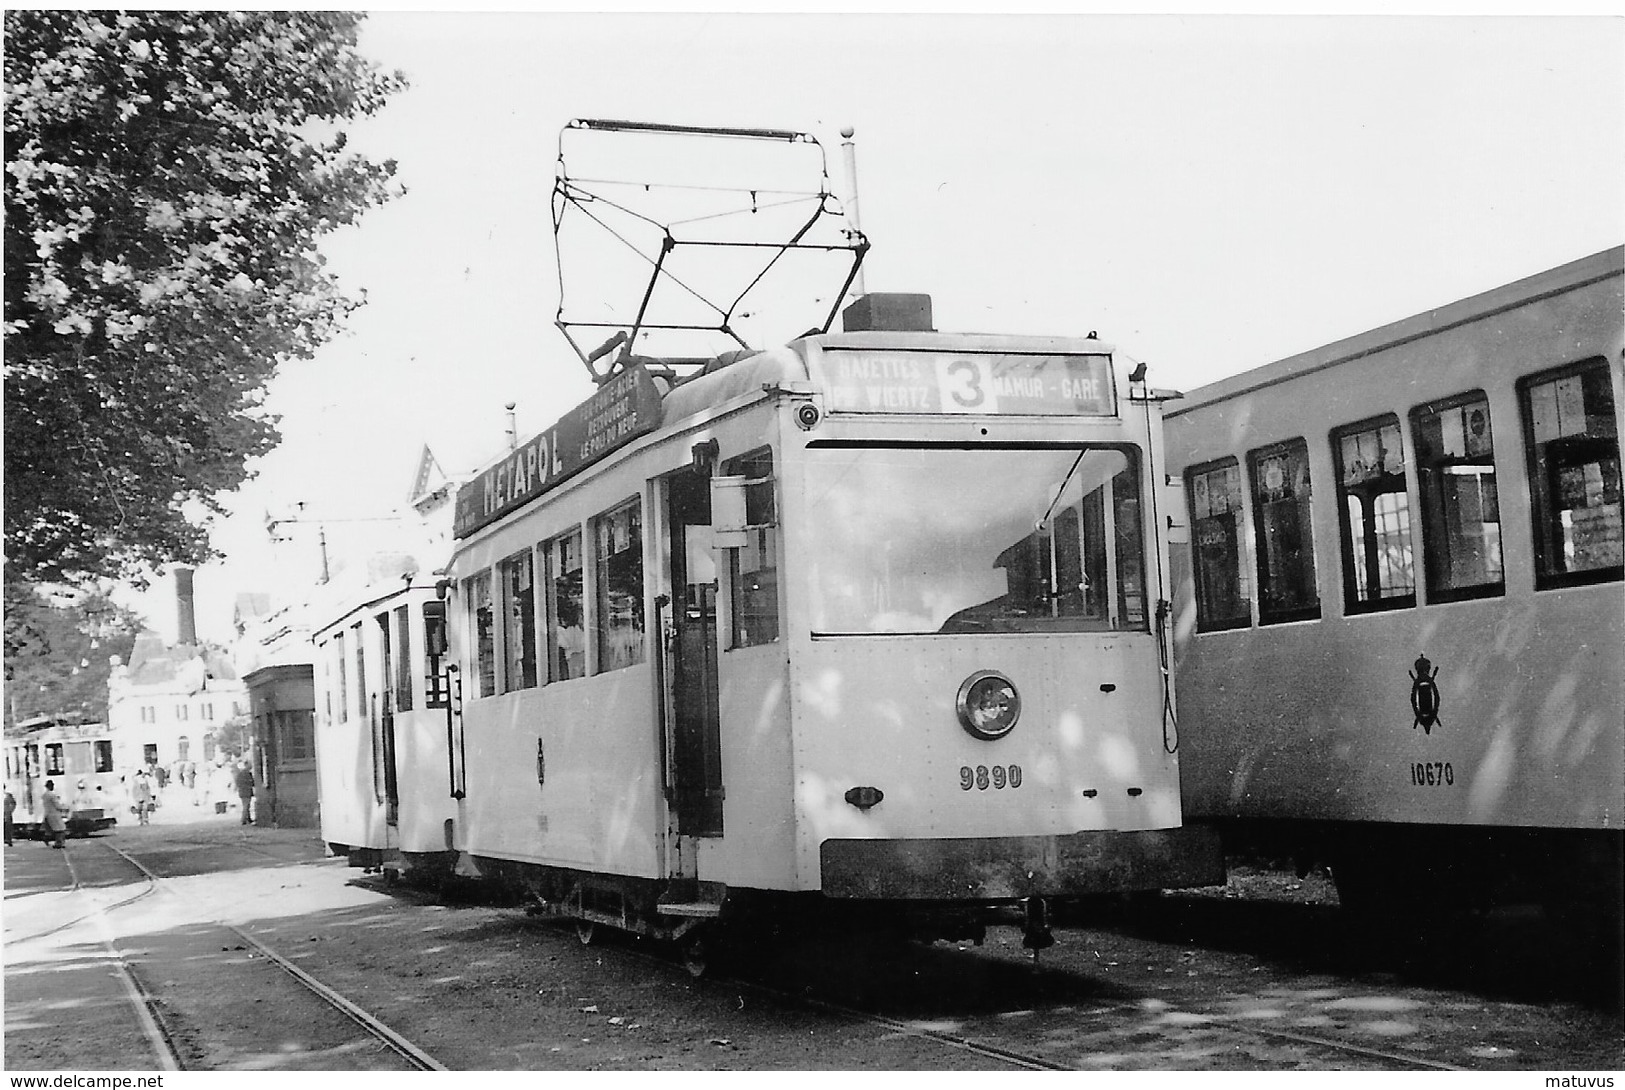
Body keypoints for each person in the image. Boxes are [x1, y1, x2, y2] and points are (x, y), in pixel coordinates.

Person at [40, 779, 68, 849]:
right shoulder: (52, 795)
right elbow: (57, 805)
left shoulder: (44, 795)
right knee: (61, 829)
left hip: (47, 813)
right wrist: (64, 808)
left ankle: (48, 839)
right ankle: (59, 843)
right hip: (54, 814)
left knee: (52, 829)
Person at [233, 760, 256, 826]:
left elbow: (238, 782)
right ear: (246, 765)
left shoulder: (241, 773)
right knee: (246, 806)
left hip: (243, 791)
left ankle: (248, 819)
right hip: (246, 791)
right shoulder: (246, 773)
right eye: (250, 764)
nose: (251, 766)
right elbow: (251, 782)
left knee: (246, 805)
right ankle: (243, 819)